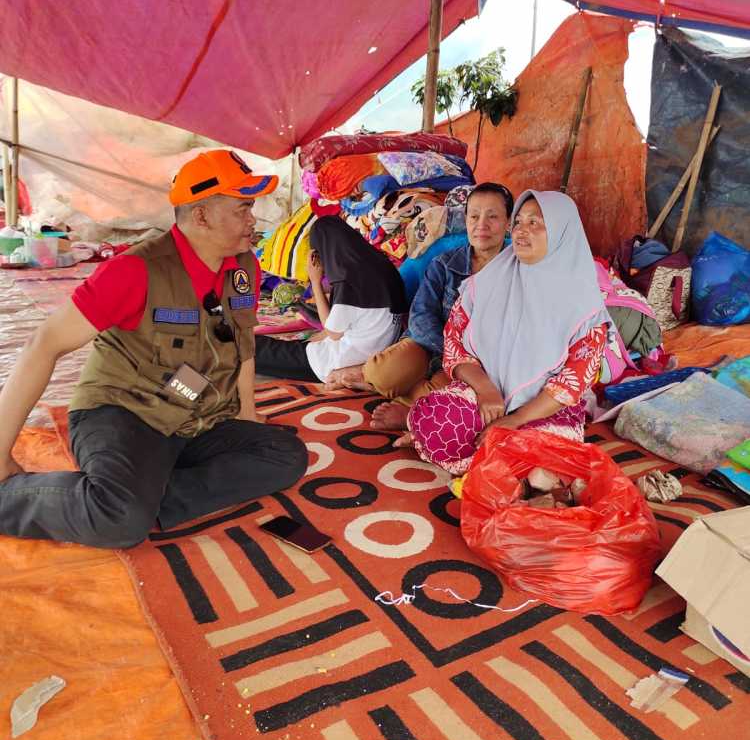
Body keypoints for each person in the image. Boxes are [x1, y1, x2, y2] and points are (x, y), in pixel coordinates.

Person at [0, 150, 308, 548]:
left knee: (286, 455)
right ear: (201, 216)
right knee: (120, 522)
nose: (253, 220)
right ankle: (30, 501)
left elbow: (243, 345)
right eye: (242, 209)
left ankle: (142, 501)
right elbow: (43, 344)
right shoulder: (134, 270)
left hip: (197, 416)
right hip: (125, 413)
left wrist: (247, 415)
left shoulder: (244, 267)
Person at [406, 190, 614, 479]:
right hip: (483, 395)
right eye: (519, 222)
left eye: (535, 223)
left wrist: (514, 420)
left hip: (543, 410)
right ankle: (504, 467)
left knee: (538, 449)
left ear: (561, 232)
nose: (521, 231)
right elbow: (454, 342)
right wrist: (486, 389)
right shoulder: (488, 280)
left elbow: (572, 382)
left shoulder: (584, 306)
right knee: (432, 416)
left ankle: (496, 461)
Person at [330, 182, 514, 432]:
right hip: (432, 345)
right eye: (474, 216)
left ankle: (412, 408)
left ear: (507, 223)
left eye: (492, 216)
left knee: (457, 395)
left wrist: (464, 362)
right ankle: (393, 384)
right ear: (466, 219)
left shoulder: (516, 270)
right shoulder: (445, 263)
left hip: (477, 364)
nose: (481, 224)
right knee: (382, 372)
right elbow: (420, 315)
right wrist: (447, 353)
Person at [254, 215, 407, 384]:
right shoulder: (384, 270)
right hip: (362, 356)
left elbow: (333, 332)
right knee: (286, 347)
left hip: (332, 363)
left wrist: (315, 281)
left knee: (257, 349)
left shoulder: (351, 285)